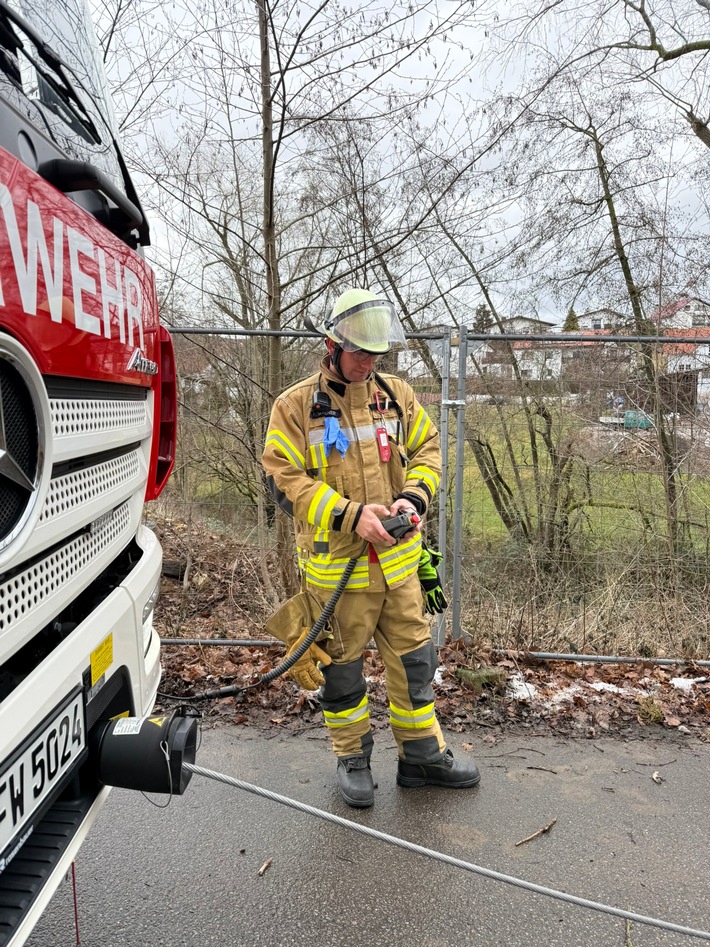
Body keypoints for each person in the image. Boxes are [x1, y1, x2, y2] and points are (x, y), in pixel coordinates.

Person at [261, 288, 480, 808]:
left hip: (400, 570)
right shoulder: (295, 407)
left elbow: (429, 449)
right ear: (332, 345)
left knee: (416, 664)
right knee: (341, 673)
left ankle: (421, 757)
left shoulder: (397, 396)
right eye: (360, 353)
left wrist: (413, 497)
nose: (368, 363)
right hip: (338, 574)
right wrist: (350, 514)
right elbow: (282, 478)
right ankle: (353, 759)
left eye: (376, 354)